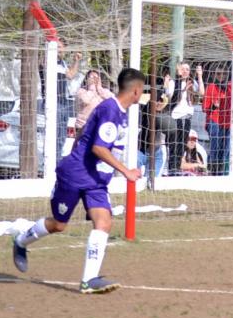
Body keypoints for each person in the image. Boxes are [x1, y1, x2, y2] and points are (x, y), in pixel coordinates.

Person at [11, 68, 145, 294]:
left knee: (104, 222)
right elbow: (99, 148)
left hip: (96, 179)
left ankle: (88, 280)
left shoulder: (117, 111)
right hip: (75, 175)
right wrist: (126, 172)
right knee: (59, 224)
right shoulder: (111, 110)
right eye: (142, 90)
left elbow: (84, 132)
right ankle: (21, 241)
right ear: (136, 90)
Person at [163, 61, 204, 174]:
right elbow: (167, 95)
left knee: (182, 145)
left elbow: (201, 92)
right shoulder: (174, 83)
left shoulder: (191, 83)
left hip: (187, 118)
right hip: (176, 118)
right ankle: (171, 169)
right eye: (183, 69)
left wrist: (200, 76)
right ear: (179, 70)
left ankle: (177, 168)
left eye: (187, 69)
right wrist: (168, 84)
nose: (186, 71)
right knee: (174, 145)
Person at [203, 66, 233, 175]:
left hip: (227, 123)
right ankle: (212, 171)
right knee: (215, 148)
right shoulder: (211, 87)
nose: (221, 76)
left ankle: (220, 173)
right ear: (214, 75)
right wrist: (214, 106)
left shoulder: (230, 87)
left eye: (224, 74)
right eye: (218, 74)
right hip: (214, 121)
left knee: (225, 150)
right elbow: (205, 108)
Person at [74, 70, 113, 139]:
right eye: (92, 77)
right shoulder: (81, 91)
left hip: (100, 127)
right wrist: (91, 88)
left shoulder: (104, 92)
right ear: (86, 79)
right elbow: (85, 100)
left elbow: (112, 100)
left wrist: (100, 89)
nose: (95, 79)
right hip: (83, 127)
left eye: (97, 77)